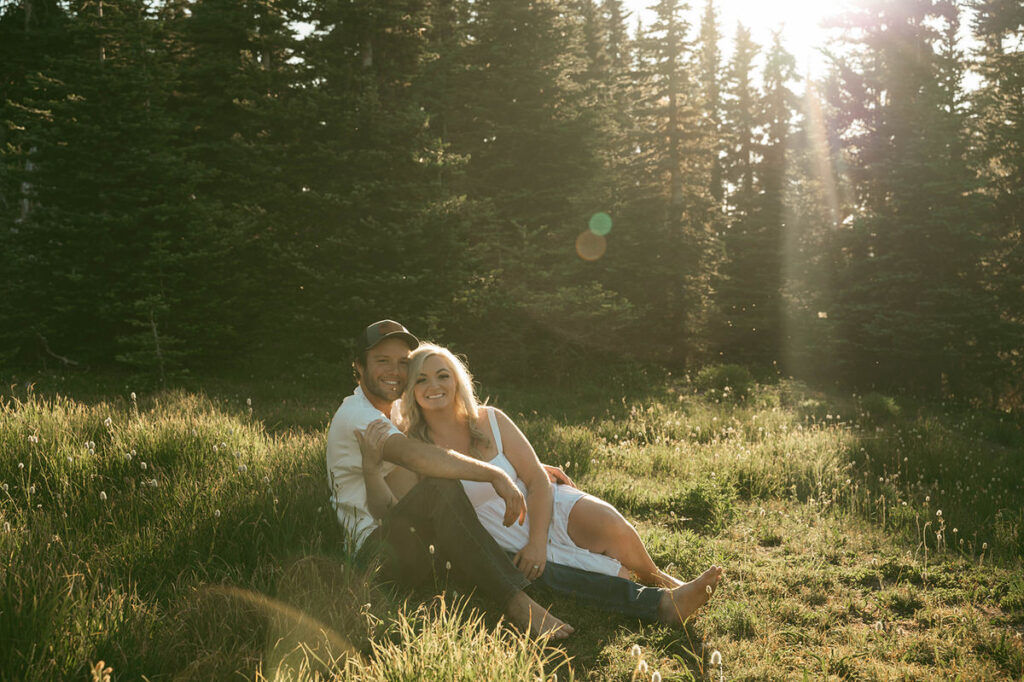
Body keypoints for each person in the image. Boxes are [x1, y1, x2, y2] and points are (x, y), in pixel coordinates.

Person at [388, 342, 722, 620]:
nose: (434, 386)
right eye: (421, 380)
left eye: (442, 375)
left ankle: (660, 578)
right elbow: (407, 509)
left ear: (457, 381)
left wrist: (537, 540)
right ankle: (662, 600)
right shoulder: (415, 449)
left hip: (541, 505)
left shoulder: (492, 419)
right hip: (499, 534)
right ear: (410, 391)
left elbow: (536, 479)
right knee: (600, 573)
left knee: (609, 524)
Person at [327, 320, 573, 639]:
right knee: (440, 487)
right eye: (381, 361)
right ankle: (515, 601)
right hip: (374, 555)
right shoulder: (358, 416)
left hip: (402, 530)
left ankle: (605, 586)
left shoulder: (395, 410)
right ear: (358, 366)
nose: (394, 370)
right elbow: (420, 458)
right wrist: (495, 473)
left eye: (403, 362)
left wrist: (523, 466)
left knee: (473, 528)